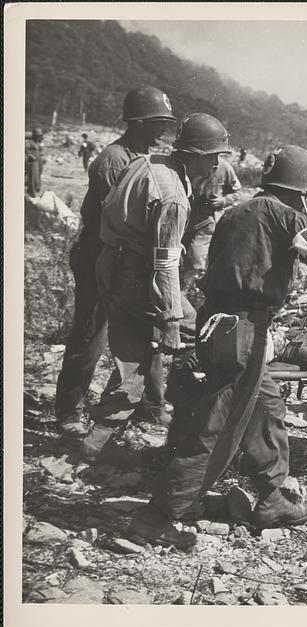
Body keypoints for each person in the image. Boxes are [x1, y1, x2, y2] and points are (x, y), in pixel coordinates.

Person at [126, 145, 307, 549]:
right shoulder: (287, 214)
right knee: (216, 433)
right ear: (301, 191)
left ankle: (271, 498)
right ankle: (154, 518)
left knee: (266, 410)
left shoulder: (235, 213)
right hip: (244, 333)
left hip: (216, 328)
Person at [74, 112, 231, 463]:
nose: (218, 164)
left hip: (111, 262)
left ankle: (95, 443)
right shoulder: (173, 196)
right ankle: (188, 417)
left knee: (133, 351)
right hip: (137, 273)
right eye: (215, 156)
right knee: (204, 331)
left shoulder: (150, 161)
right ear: (196, 155)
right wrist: (171, 319)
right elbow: (165, 262)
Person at [54, 87, 178, 436]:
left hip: (127, 256)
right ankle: (70, 412)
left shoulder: (144, 157)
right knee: (91, 333)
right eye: (157, 123)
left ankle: (151, 405)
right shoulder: (113, 159)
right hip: (99, 255)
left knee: (146, 331)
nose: (163, 130)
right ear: (138, 122)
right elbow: (120, 217)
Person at [182, 156, 242, 282]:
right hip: (186, 216)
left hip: (207, 220)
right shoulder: (190, 162)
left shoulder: (225, 168)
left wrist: (223, 200)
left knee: (196, 258)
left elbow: (236, 191)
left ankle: (190, 285)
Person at [25, 127, 45, 197]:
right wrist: (30, 155)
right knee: (32, 177)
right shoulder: (29, 143)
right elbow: (25, 150)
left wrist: (42, 158)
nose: (39, 137)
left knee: (37, 177)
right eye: (38, 136)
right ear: (34, 136)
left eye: (40, 136)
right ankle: (31, 192)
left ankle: (36, 189)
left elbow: (40, 152)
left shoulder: (38, 143)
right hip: (31, 163)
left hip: (38, 162)